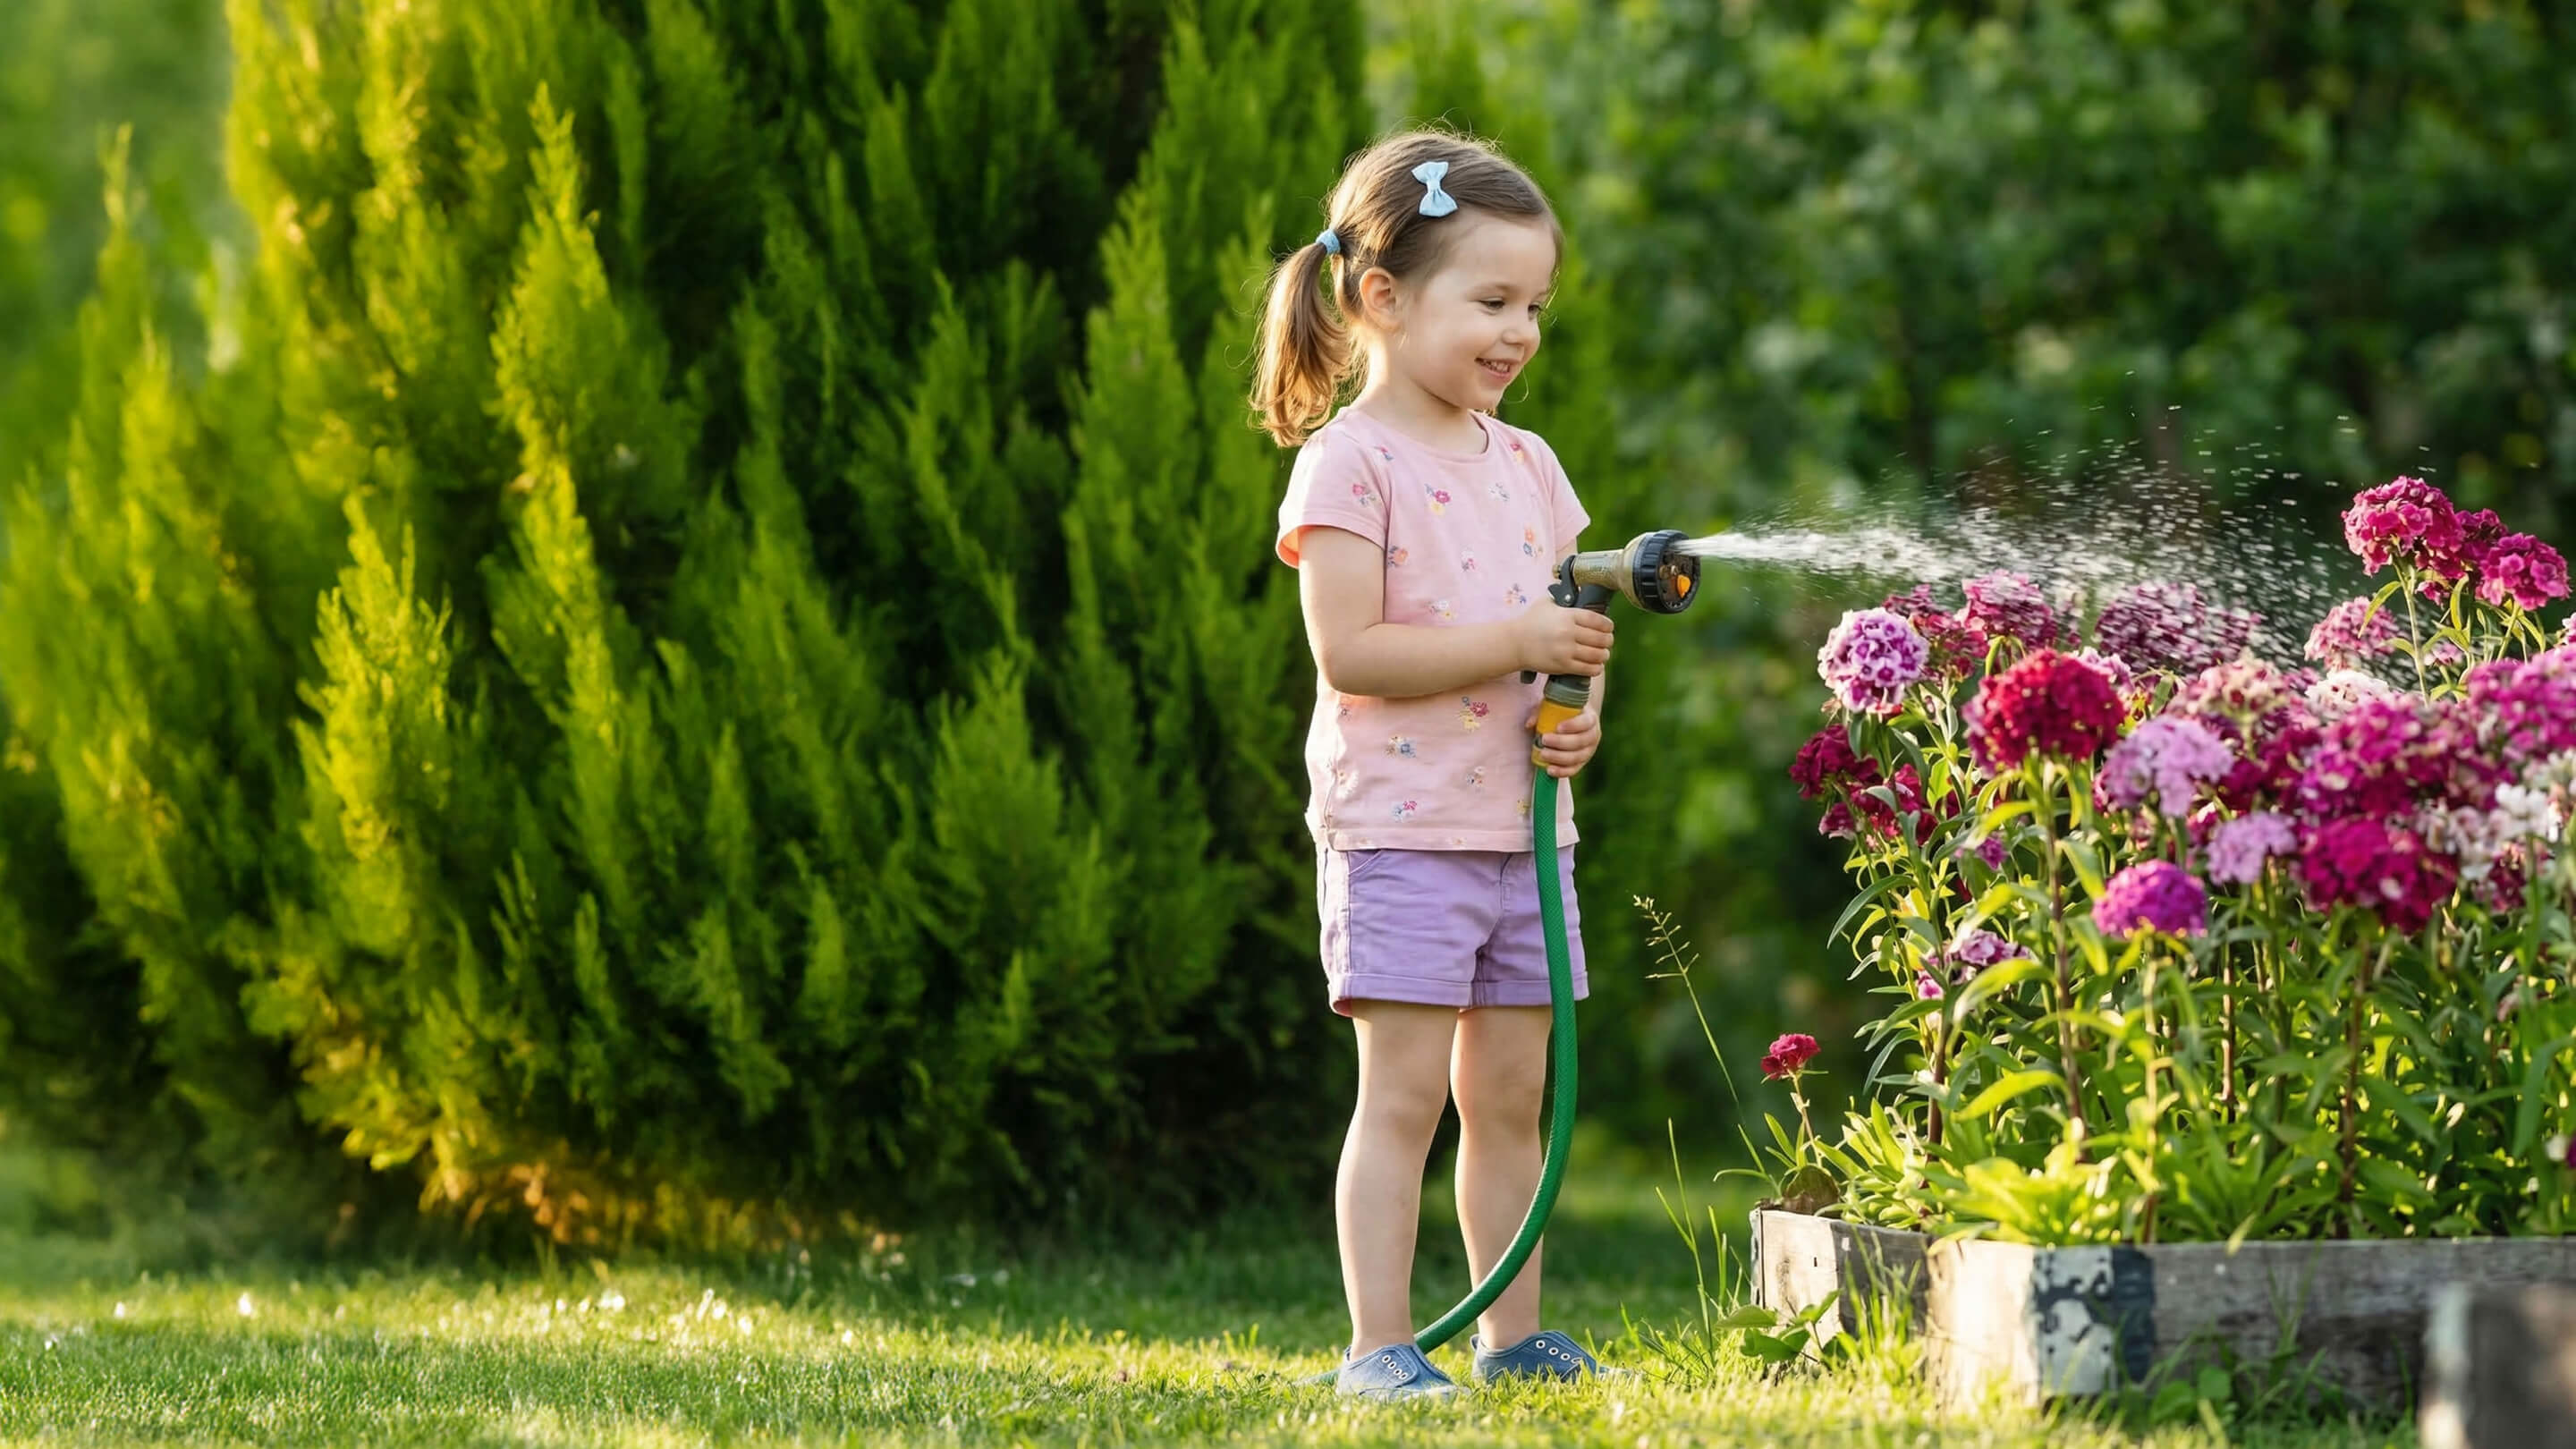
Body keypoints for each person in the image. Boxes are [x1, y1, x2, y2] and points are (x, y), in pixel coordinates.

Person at [1252, 128, 1614, 1401]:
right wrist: (1512, 641)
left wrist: (1579, 712)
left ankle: (1512, 1342)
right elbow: (1353, 652)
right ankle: (1378, 1348)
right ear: (1383, 298)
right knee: (1403, 1101)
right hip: (1402, 833)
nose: (1519, 332)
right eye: (1493, 301)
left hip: (1525, 836)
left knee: (1506, 1100)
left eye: (1534, 307)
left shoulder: (1529, 464)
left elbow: (1571, 631)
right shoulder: (1349, 464)